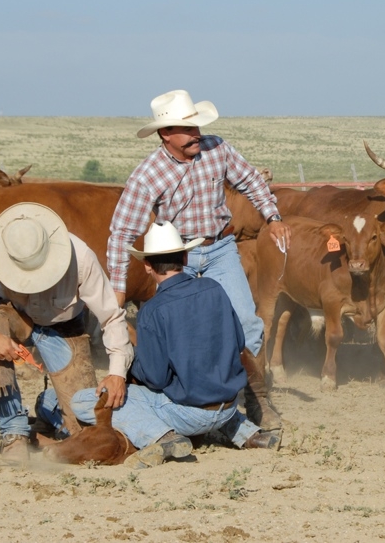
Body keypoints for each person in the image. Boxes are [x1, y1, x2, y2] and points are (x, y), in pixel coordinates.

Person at [107, 89, 289, 436]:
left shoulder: (216, 148)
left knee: (248, 325)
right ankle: (194, 402)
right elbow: (120, 234)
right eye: (187, 129)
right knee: (184, 334)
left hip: (220, 247)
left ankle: (254, 397)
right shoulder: (148, 175)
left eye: (196, 127)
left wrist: (273, 216)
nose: (197, 134)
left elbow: (250, 179)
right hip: (180, 258)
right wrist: (118, 287)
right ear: (165, 135)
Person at [0, 202, 132, 463]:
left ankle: (46, 416)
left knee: (84, 424)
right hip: (14, 314)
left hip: (64, 327)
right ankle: (13, 432)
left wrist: (117, 371)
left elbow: (111, 315)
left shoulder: (81, 257)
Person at [68, 222, 278, 469]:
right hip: (230, 404)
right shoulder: (215, 288)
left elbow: (156, 378)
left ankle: (163, 436)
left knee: (82, 401)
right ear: (186, 257)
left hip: (190, 415)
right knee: (203, 385)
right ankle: (245, 432)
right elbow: (239, 343)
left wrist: (134, 362)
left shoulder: (152, 311)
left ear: (147, 266)